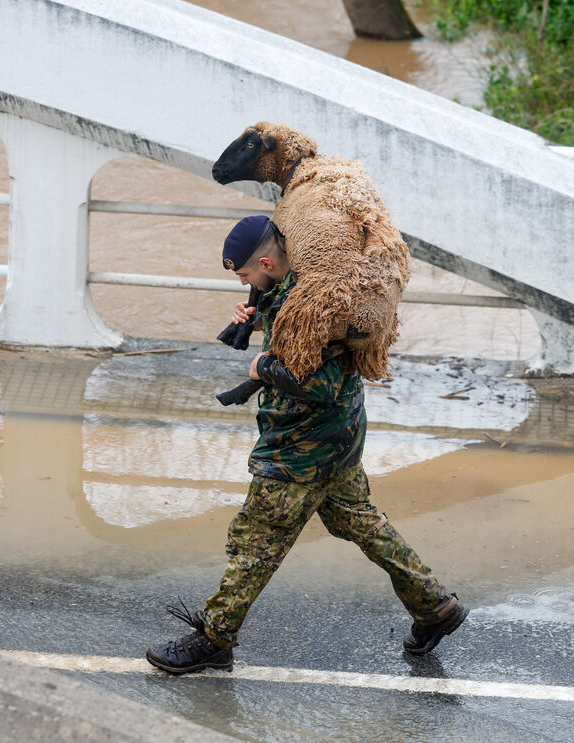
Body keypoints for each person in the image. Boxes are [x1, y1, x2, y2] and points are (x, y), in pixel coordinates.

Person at [146, 215, 467, 674]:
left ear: (265, 263)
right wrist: (259, 314)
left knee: (255, 542)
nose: (244, 284)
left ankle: (214, 639)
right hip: (340, 436)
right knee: (361, 523)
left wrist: (262, 367)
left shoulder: (313, 303)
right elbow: (300, 344)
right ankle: (434, 607)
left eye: (245, 276)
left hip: (302, 447)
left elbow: (321, 384)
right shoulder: (303, 282)